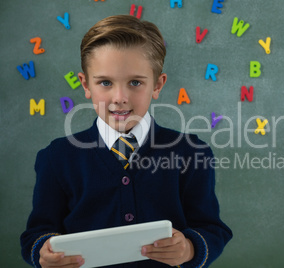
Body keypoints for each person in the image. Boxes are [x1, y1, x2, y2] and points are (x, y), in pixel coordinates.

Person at [20, 15, 232, 268]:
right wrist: (44, 252)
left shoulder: (191, 152)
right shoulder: (57, 157)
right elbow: (37, 233)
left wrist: (188, 248)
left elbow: (212, 228)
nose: (120, 97)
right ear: (86, 85)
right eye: (105, 82)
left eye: (135, 82)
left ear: (157, 85)